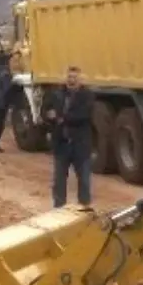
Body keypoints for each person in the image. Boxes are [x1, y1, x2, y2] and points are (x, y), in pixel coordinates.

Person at [44, 66, 94, 209]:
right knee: (59, 180)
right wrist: (49, 117)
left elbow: (84, 115)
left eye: (75, 78)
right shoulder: (56, 94)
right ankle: (58, 209)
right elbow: (46, 110)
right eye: (69, 77)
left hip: (80, 144)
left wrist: (61, 118)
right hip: (61, 144)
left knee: (84, 180)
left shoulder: (88, 96)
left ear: (80, 80)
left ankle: (84, 209)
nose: (71, 80)